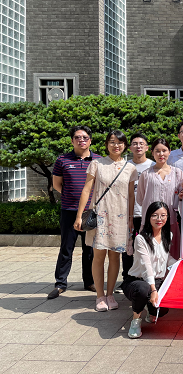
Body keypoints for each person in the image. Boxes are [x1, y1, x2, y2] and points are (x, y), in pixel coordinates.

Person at [74, 130, 138, 312]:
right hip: (100, 216)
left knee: (115, 256)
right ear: (106, 144)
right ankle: (99, 296)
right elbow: (86, 190)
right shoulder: (96, 164)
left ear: (125, 145)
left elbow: (131, 196)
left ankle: (110, 295)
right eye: (112, 141)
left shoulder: (130, 168)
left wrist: (130, 219)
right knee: (98, 256)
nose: (116, 145)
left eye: (119, 142)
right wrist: (79, 216)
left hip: (120, 217)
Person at [48, 126, 101, 300]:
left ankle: (90, 282)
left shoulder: (98, 161)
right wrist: (71, 197)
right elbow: (57, 185)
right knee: (66, 248)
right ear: (72, 141)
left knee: (90, 249)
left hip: (91, 212)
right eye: (77, 137)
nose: (81, 140)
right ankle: (60, 283)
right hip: (69, 211)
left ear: (90, 140)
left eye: (85, 137)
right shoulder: (62, 160)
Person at [123, 201, 178, 339]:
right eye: (155, 215)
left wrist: (180, 264)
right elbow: (146, 266)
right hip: (137, 281)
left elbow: (166, 258)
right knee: (143, 290)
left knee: (163, 308)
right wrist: (153, 290)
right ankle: (136, 320)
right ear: (148, 217)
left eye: (163, 215)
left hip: (158, 281)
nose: (159, 219)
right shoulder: (140, 239)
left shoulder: (168, 235)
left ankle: (150, 308)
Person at [115, 133, 155, 294]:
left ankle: (148, 279)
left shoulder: (153, 165)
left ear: (147, 148)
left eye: (141, 144)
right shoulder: (124, 166)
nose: (138, 146)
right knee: (128, 249)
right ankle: (127, 280)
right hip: (129, 214)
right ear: (129, 147)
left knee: (149, 248)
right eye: (135, 144)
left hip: (148, 215)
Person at [136, 138, 183, 259]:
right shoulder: (146, 174)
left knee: (171, 256)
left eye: (164, 150)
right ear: (152, 152)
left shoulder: (177, 173)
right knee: (150, 256)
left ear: (169, 152)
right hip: (151, 222)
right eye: (157, 151)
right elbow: (140, 199)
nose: (161, 154)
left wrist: (181, 195)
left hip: (170, 220)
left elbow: (182, 198)